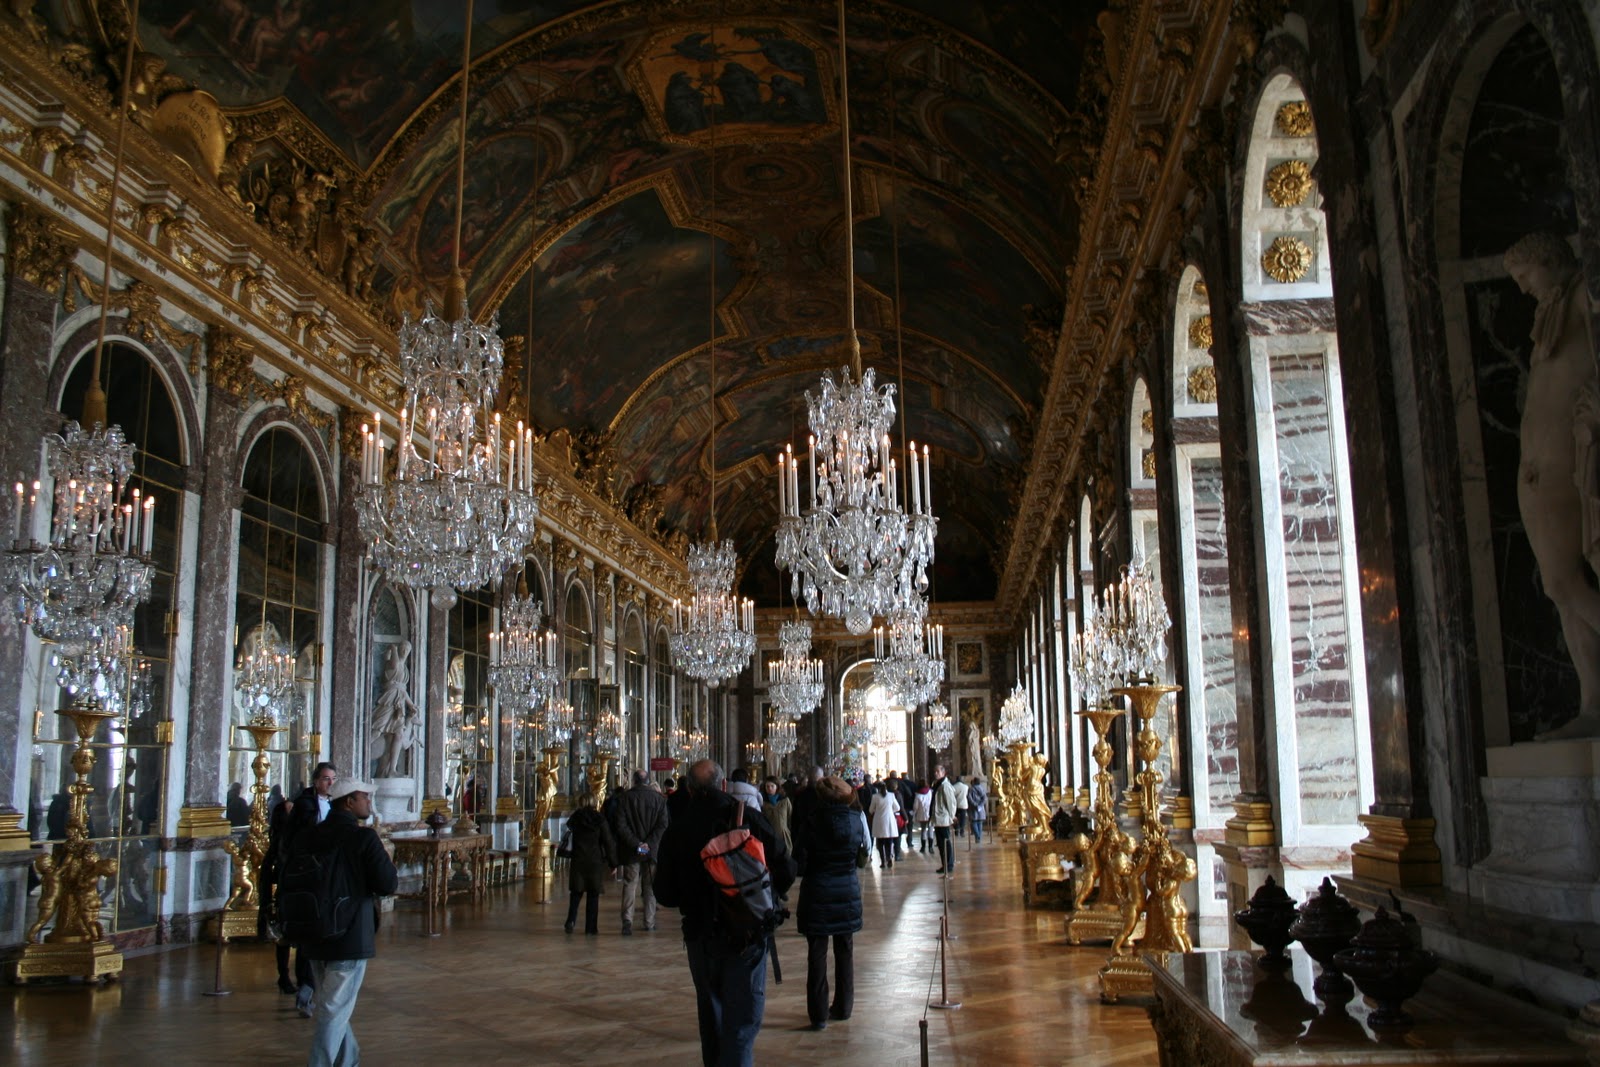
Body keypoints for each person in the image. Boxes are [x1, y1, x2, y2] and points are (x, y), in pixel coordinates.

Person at [654, 759, 795, 1067]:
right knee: (742, 1020)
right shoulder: (749, 819)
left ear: (689, 790)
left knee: (712, 1015)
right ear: (722, 785)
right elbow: (786, 869)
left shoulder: (677, 830)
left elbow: (663, 894)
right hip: (748, 932)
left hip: (701, 934)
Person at [288, 776, 396, 1067]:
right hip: (349, 934)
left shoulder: (307, 836)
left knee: (332, 1005)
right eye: (365, 797)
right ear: (349, 802)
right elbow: (388, 884)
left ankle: (349, 1060)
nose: (369, 802)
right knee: (334, 1009)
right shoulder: (363, 837)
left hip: (312, 931)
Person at [792, 775, 865, 1031]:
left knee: (817, 954)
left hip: (818, 891)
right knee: (845, 950)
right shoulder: (856, 821)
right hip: (847, 890)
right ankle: (844, 1007)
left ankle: (819, 1014)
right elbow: (861, 857)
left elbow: (798, 860)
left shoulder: (811, 823)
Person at [263, 761, 337, 1014]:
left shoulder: (331, 805)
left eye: (333, 779)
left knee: (311, 933)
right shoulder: (304, 805)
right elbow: (299, 839)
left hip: (321, 875)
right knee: (298, 932)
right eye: (326, 778)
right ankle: (295, 980)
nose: (330, 783)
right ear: (316, 780)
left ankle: (309, 984)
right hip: (302, 875)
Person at [610, 769, 669, 935]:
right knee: (650, 886)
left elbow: (620, 825)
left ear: (634, 781)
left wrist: (637, 844)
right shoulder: (659, 799)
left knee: (630, 884)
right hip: (652, 850)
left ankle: (627, 920)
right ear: (648, 780)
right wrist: (648, 844)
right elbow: (663, 825)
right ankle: (649, 921)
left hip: (631, 850)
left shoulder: (625, 798)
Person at [564, 792, 617, 935]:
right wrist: (613, 863)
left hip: (578, 858)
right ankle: (591, 927)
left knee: (576, 892)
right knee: (593, 895)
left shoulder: (575, 818)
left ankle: (571, 920)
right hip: (594, 860)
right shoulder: (599, 819)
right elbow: (608, 842)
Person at [867, 781, 900, 870]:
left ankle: (882, 862)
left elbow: (871, 810)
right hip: (889, 820)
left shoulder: (875, 797)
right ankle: (889, 859)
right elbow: (897, 807)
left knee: (880, 843)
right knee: (889, 842)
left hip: (879, 821)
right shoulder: (891, 795)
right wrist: (890, 810)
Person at [930, 765, 957, 874]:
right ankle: (944, 864)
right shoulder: (937, 784)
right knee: (941, 844)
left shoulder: (945, 786)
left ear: (943, 772)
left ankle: (949, 865)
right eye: (935, 771)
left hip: (943, 819)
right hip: (938, 818)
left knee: (945, 843)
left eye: (938, 771)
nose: (935, 773)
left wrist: (951, 816)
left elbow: (951, 803)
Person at [761, 776, 792, 855]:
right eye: (767, 786)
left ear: (777, 787)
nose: (769, 788)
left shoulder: (785, 801)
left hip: (783, 835)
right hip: (769, 835)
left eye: (772, 786)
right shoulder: (763, 802)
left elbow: (790, 816)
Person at [912, 779, 933, 853]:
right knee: (931, 829)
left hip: (922, 814)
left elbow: (915, 806)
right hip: (930, 813)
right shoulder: (930, 792)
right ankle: (931, 847)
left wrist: (914, 812)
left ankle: (923, 847)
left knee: (923, 830)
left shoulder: (918, 794)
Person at [967, 776, 988, 845]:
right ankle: (979, 837)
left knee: (974, 822)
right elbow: (985, 798)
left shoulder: (971, 789)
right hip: (980, 808)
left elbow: (969, 798)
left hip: (973, 808)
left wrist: (975, 804)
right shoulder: (982, 788)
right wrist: (980, 805)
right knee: (979, 822)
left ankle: (977, 836)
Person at [952, 774, 970, 838]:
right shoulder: (966, 787)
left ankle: (956, 831)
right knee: (963, 819)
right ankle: (962, 832)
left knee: (955, 818)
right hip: (963, 805)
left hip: (956, 805)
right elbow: (966, 795)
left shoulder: (953, 786)